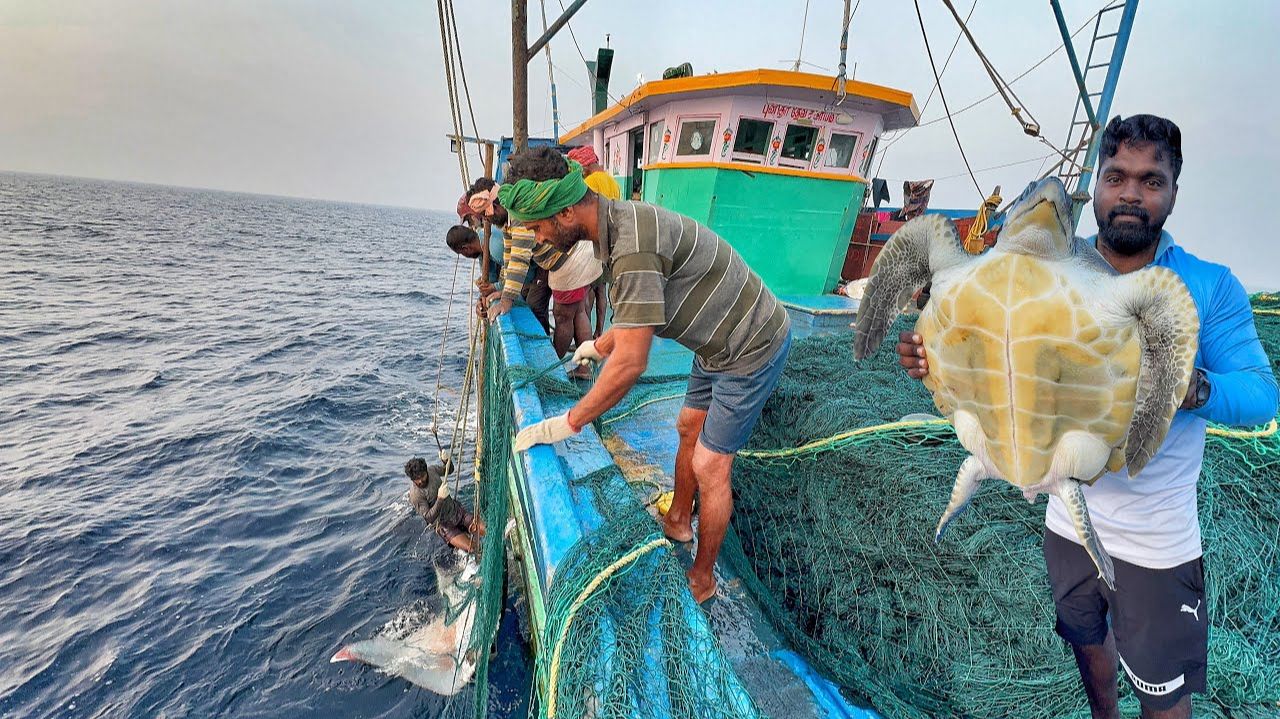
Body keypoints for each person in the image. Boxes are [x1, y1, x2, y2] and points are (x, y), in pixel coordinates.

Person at [894, 114, 1278, 719]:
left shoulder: (1206, 286)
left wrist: (1185, 386)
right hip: (1064, 519)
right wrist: (931, 354)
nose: (1131, 193)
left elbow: (1261, 395)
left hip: (1156, 542)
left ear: (1175, 190)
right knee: (1087, 645)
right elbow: (994, 345)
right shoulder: (1045, 266)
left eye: (1151, 181)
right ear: (1096, 186)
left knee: (1165, 696)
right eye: (1116, 176)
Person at [501, 146, 792, 603]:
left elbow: (633, 362)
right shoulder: (614, 230)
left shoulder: (631, 244)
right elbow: (638, 315)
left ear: (563, 211)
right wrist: (596, 346)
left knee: (711, 466)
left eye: (537, 226)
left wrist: (567, 423)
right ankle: (678, 520)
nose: (536, 237)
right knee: (686, 427)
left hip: (750, 344)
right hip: (711, 344)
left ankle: (703, 577)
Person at [404, 457, 482, 553]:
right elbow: (429, 518)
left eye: (422, 476)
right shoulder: (415, 495)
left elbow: (449, 470)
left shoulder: (432, 470)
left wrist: (446, 460)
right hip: (444, 526)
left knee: (485, 529)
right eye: (416, 479)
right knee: (474, 548)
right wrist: (440, 498)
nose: (420, 481)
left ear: (426, 471)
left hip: (457, 512)